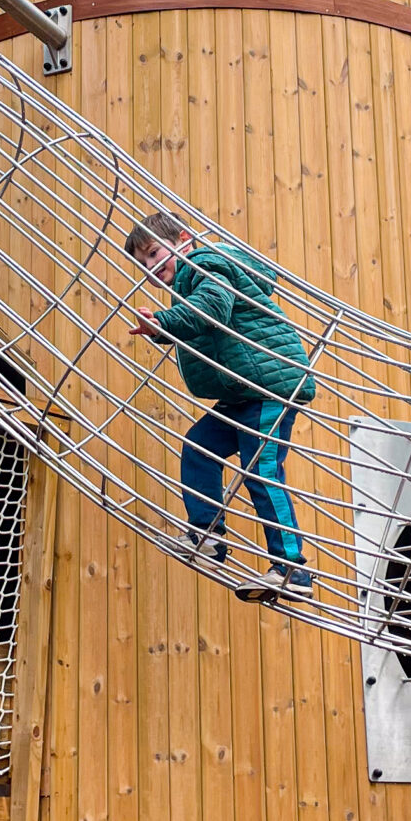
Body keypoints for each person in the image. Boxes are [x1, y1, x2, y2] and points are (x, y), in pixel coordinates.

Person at [124, 208, 315, 600]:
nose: (150, 267)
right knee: (199, 446)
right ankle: (207, 534)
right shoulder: (186, 284)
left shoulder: (205, 264)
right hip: (242, 393)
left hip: (270, 388)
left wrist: (163, 322)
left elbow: (213, 309)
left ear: (183, 240)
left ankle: (291, 569)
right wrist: (164, 327)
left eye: (155, 254)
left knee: (260, 469)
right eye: (142, 263)